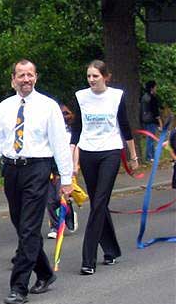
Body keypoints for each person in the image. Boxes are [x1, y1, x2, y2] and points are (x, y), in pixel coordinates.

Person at [0, 60, 73, 304]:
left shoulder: (48, 106)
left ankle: (19, 287)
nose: (25, 79)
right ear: (13, 79)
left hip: (38, 169)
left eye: (30, 75)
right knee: (21, 225)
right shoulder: (5, 107)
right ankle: (46, 273)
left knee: (29, 228)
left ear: (36, 78)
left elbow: (60, 144)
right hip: (12, 170)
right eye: (21, 75)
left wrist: (67, 179)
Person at [72, 60, 139, 274]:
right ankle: (111, 250)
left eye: (96, 76)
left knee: (100, 201)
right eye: (89, 76)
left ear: (106, 77)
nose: (91, 80)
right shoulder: (81, 97)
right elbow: (77, 130)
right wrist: (73, 160)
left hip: (110, 151)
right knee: (99, 205)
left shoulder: (115, 96)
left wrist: (133, 156)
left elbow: (125, 126)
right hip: (88, 152)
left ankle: (88, 259)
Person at [46, 102, 78, 239]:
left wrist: (75, 166)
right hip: (49, 167)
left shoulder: (73, 131)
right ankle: (55, 226)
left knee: (61, 197)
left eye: (66, 113)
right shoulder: (51, 129)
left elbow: (76, 148)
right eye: (61, 114)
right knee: (50, 199)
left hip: (65, 168)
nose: (64, 116)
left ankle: (69, 215)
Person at [139, 80, 162, 162]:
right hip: (151, 121)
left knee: (150, 138)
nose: (156, 88)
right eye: (155, 87)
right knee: (151, 139)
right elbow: (155, 112)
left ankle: (152, 156)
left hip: (145, 120)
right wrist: (160, 123)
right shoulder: (151, 98)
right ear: (152, 88)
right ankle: (150, 157)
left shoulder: (144, 97)